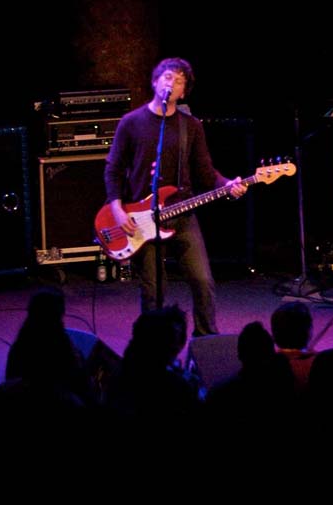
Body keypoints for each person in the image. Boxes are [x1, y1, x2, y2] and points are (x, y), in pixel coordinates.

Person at [104, 57, 247, 336]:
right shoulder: (131, 123)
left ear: (183, 92)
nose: (172, 83)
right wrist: (118, 210)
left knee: (203, 280)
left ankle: (207, 341)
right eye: (168, 77)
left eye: (179, 81)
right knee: (153, 291)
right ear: (156, 82)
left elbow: (206, 174)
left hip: (182, 216)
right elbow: (113, 169)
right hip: (142, 220)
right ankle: (152, 346)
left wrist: (229, 185)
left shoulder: (190, 126)